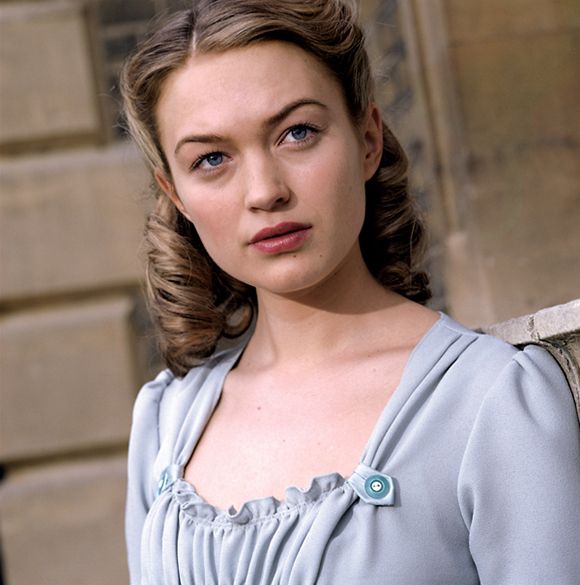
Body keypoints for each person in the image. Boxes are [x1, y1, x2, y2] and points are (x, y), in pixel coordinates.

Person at [120, 1, 580, 583]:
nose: (264, 191)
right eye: (211, 159)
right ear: (176, 193)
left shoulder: (489, 400)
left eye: (297, 133)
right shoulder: (163, 424)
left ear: (367, 139)